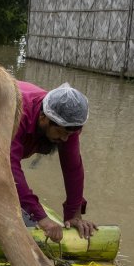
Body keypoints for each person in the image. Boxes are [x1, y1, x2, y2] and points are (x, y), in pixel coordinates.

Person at [10, 81, 98, 242]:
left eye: (70, 134)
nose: (65, 139)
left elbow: (73, 168)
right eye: (61, 132)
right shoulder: (17, 114)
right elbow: (9, 167)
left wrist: (74, 215)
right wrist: (40, 216)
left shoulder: (66, 123)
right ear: (43, 117)